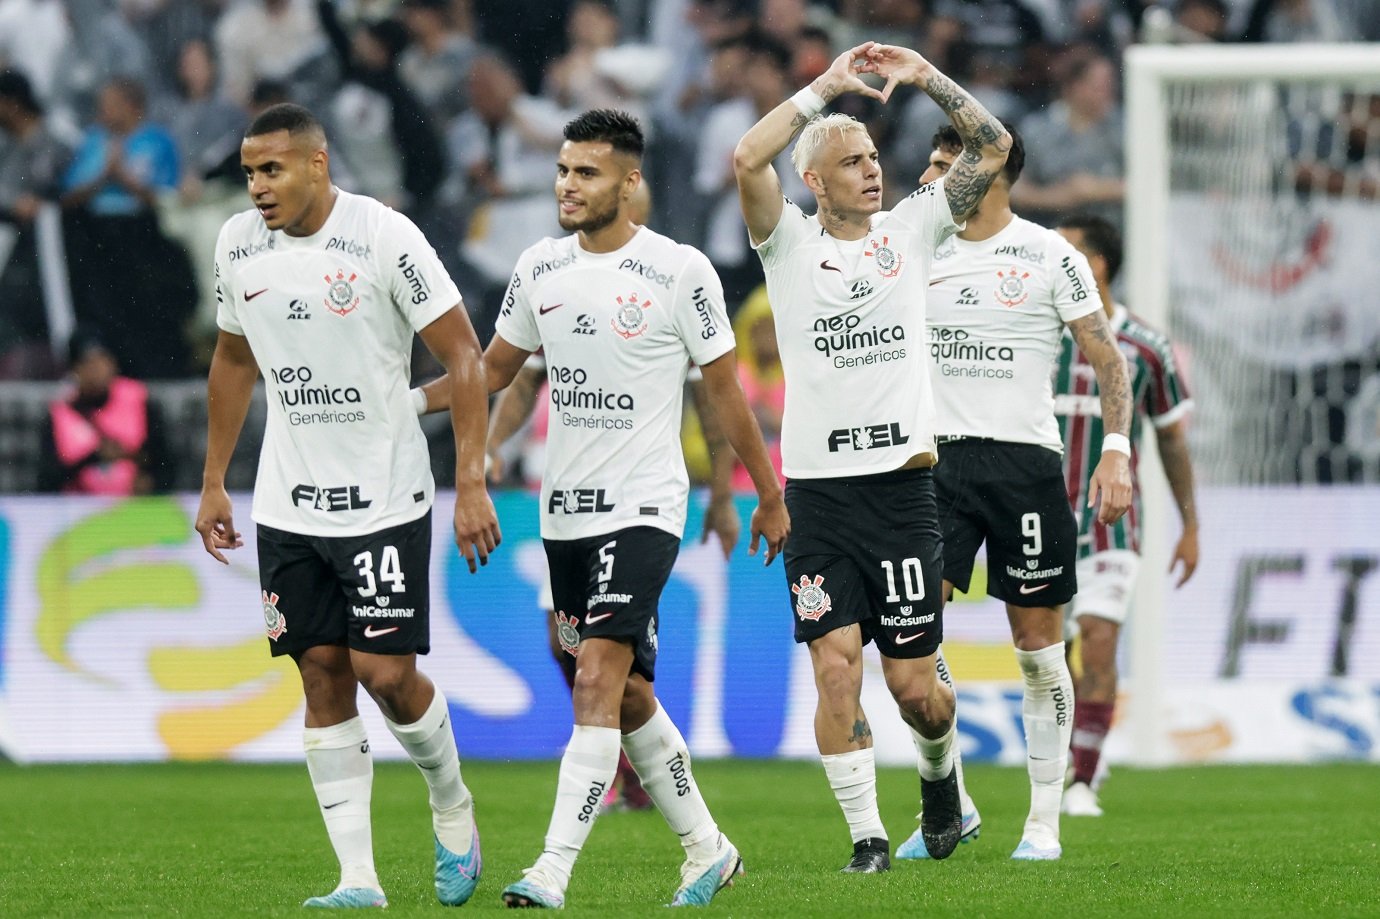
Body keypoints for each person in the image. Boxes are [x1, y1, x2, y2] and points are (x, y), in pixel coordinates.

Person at [193, 103, 500, 909]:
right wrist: (215, 476)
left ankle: (451, 799)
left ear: (318, 163)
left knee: (386, 673)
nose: (258, 187)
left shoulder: (384, 236)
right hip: (289, 500)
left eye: (273, 170)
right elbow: (233, 358)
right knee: (321, 673)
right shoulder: (237, 244)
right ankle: (357, 878)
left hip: (385, 492)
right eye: (249, 173)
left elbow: (463, 354)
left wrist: (470, 480)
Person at [483, 108, 789, 909]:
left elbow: (724, 394)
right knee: (627, 696)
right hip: (564, 515)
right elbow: (494, 373)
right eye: (562, 170)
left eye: (586, 172)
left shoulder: (681, 271)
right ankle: (709, 850)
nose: (567, 185)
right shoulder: (539, 268)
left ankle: (550, 870)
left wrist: (765, 492)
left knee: (594, 677)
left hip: (646, 505)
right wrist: (406, 405)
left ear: (629, 181)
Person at [734, 41, 1011, 872]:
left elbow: (992, 147)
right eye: (850, 161)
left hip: (901, 494)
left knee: (916, 691)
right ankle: (865, 837)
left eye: (873, 158)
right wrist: (823, 87)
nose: (870, 171)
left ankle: (940, 778)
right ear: (813, 181)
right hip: (819, 498)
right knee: (834, 668)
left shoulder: (914, 228)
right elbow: (747, 155)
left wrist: (924, 76)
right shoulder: (783, 244)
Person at [904, 124, 1132, 862]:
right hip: (932, 469)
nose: (927, 178)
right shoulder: (913, 246)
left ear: (989, 172)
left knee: (1038, 650)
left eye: (943, 167)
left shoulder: (1048, 254)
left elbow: (1107, 357)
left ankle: (1042, 824)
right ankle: (949, 795)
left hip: (1025, 469)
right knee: (913, 642)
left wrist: (1118, 453)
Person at [1054, 213, 1199, 816]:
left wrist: (1191, 524)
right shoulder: (1038, 334)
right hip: (1040, 520)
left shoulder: (1146, 345)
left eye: (1067, 253)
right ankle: (1074, 744)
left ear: (1099, 265)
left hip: (1114, 522)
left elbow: (1170, 439)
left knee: (1101, 639)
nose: (1053, 262)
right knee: (1047, 655)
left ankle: (1082, 780)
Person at [38, 331, 172, 495]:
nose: (98, 369)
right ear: (74, 370)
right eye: (88, 363)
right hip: (80, 512)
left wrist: (151, 482)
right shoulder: (59, 414)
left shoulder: (139, 400)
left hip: (135, 508)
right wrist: (94, 457)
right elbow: (47, 480)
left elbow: (165, 461)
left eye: (103, 361)